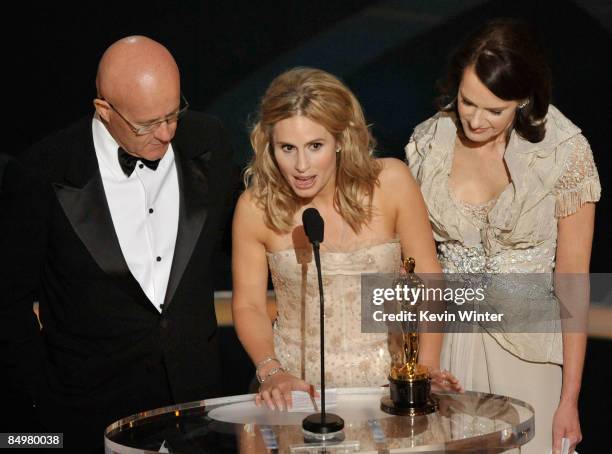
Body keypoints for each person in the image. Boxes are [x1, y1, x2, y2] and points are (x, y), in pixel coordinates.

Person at [2, 36, 236, 451]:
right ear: (104, 110)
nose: (167, 134)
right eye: (148, 124)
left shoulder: (209, 141)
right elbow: (9, 301)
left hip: (198, 410)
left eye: (173, 113)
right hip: (89, 415)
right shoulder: (41, 172)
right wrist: (39, 403)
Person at [405, 19, 600, 454]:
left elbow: (573, 279)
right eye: (467, 101)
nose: (474, 120)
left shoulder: (564, 152)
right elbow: (414, 266)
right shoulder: (428, 143)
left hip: (529, 354)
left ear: (524, 100)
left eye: (494, 110)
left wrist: (570, 400)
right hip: (449, 350)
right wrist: (423, 364)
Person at [231, 67, 461, 413]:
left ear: (340, 140)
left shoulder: (392, 183)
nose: (302, 166)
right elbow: (249, 304)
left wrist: (422, 371)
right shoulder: (255, 207)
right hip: (297, 393)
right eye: (287, 148)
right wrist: (271, 371)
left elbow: (428, 279)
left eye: (315, 146)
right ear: (269, 145)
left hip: (389, 389)